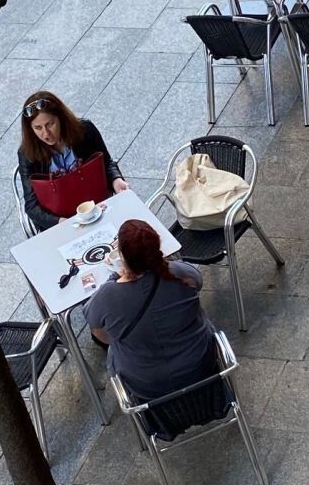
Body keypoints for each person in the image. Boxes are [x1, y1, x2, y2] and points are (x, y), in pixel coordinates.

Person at [84, 220, 219, 412]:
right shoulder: (179, 273)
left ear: (123, 257)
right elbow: (198, 282)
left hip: (146, 385)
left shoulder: (107, 295)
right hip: (200, 363)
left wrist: (115, 278)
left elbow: (99, 332)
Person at [17, 91, 128, 232]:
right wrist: (60, 222)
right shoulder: (27, 154)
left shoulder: (85, 131)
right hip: (61, 223)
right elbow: (32, 206)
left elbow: (107, 164)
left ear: (61, 118)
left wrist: (116, 180)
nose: (46, 134)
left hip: (97, 208)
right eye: (38, 128)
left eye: (50, 124)